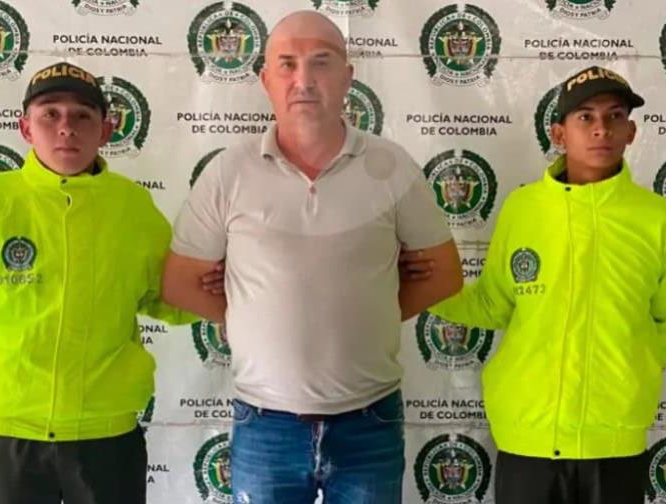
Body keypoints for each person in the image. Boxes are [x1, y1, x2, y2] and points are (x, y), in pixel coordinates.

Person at [162, 10, 463, 504]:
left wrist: (364, 313)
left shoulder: (392, 167)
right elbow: (180, 283)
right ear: (265, 79)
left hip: (369, 421)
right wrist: (250, 316)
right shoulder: (228, 173)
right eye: (287, 64)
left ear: (348, 76)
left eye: (321, 62)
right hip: (265, 425)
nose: (303, 79)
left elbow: (444, 275)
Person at [0, 61, 220, 504]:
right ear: (25, 128)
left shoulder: (132, 207)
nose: (66, 128)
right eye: (49, 114)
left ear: (105, 131)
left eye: (82, 115)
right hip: (8, 437)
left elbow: (166, 295)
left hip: (107, 440)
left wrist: (224, 286)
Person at [428, 65, 666, 504]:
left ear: (631, 132)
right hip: (528, 439)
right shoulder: (523, 208)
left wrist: (630, 369)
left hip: (614, 443)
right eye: (585, 117)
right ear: (559, 133)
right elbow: (492, 303)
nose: (601, 129)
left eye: (615, 116)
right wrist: (417, 290)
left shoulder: (660, 219)